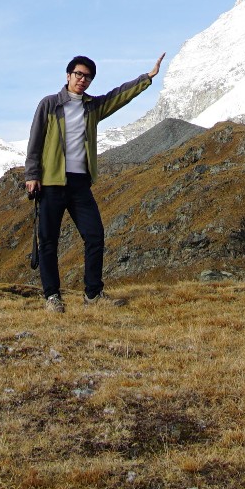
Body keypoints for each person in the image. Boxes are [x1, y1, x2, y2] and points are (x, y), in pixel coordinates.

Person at [23, 51, 164, 312]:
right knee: (48, 241)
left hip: (79, 184)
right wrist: (32, 175)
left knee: (95, 235)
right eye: (79, 74)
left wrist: (147, 78)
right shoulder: (50, 104)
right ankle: (52, 297)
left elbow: (118, 96)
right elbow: (35, 140)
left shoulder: (92, 107)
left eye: (88, 77)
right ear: (68, 76)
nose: (83, 80)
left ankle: (93, 295)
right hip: (52, 183)